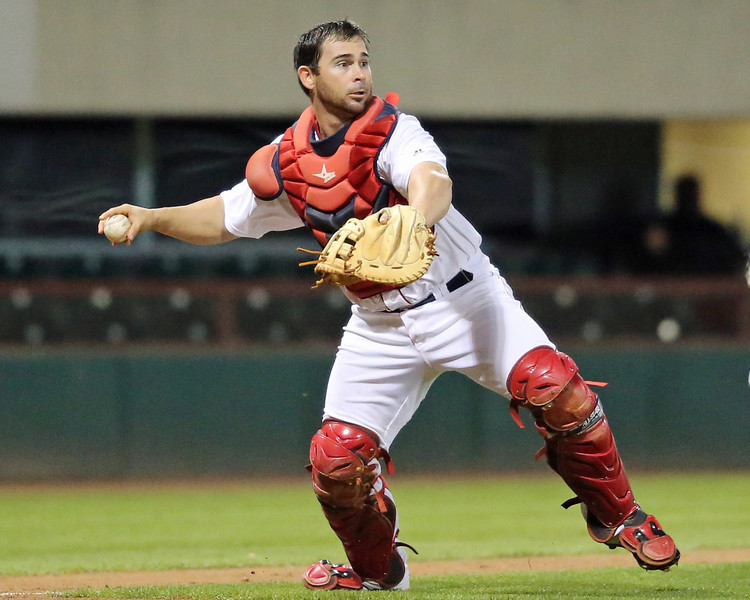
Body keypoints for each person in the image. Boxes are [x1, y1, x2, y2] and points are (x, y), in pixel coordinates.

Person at [98, 19, 679, 591]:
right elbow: (224, 218)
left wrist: (411, 220)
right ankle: (379, 572)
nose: (359, 74)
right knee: (336, 461)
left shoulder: (396, 132)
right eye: (343, 63)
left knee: (553, 385)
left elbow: (432, 182)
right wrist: (152, 217)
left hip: (466, 301)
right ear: (308, 76)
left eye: (364, 61)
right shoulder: (290, 162)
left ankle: (617, 514)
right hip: (379, 326)